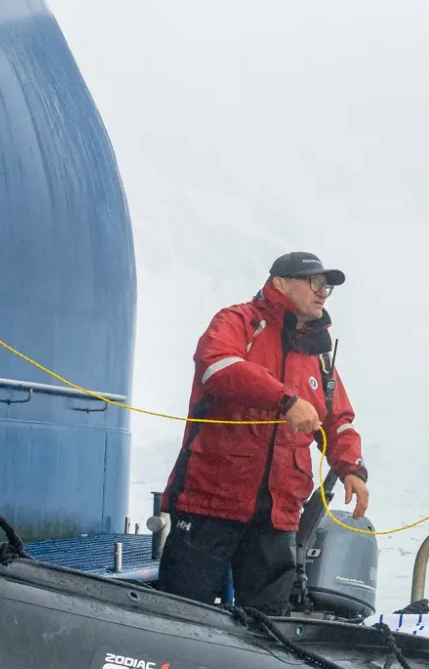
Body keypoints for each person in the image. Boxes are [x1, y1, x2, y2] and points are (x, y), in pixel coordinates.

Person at [155, 252, 370, 612]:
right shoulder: (237, 321)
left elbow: (337, 420)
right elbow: (218, 365)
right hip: (211, 502)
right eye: (314, 283)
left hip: (277, 514)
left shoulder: (319, 356)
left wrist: (352, 469)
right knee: (181, 614)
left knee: (269, 625)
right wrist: (285, 400)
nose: (322, 293)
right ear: (281, 283)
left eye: (326, 286)